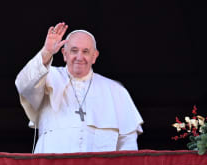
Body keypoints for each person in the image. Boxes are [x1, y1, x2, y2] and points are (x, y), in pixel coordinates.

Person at [15, 22, 143, 154]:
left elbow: (128, 143)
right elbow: (23, 85)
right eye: (74, 51)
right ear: (64, 54)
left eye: (86, 51)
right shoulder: (47, 77)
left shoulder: (116, 91)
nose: (79, 57)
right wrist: (47, 52)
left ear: (94, 56)